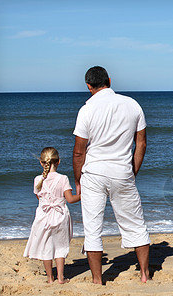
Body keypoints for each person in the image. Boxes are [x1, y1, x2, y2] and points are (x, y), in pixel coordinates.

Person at [73, 66, 151, 284]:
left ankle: (98, 279)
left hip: (94, 173)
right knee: (136, 223)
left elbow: (79, 151)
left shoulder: (86, 110)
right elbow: (141, 143)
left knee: (93, 228)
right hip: (122, 172)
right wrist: (132, 171)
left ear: (88, 86)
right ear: (109, 80)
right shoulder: (132, 105)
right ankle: (145, 274)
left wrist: (78, 179)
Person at [24, 147, 81, 284]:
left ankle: (50, 278)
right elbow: (70, 199)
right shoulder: (63, 178)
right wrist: (82, 195)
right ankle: (61, 277)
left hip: (43, 216)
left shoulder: (38, 179)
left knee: (46, 246)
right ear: (59, 161)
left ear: (41, 163)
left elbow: (40, 199)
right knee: (60, 246)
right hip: (60, 215)